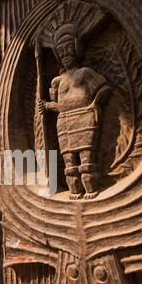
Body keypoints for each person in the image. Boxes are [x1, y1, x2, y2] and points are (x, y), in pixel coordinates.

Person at [38, 24, 111, 199]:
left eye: (69, 48)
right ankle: (74, 192)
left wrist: (95, 103)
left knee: (86, 159)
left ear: (77, 48)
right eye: (61, 51)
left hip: (85, 118)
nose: (65, 54)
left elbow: (104, 89)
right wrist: (47, 106)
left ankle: (91, 190)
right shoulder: (57, 81)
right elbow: (59, 104)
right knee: (69, 162)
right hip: (64, 123)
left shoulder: (85, 73)